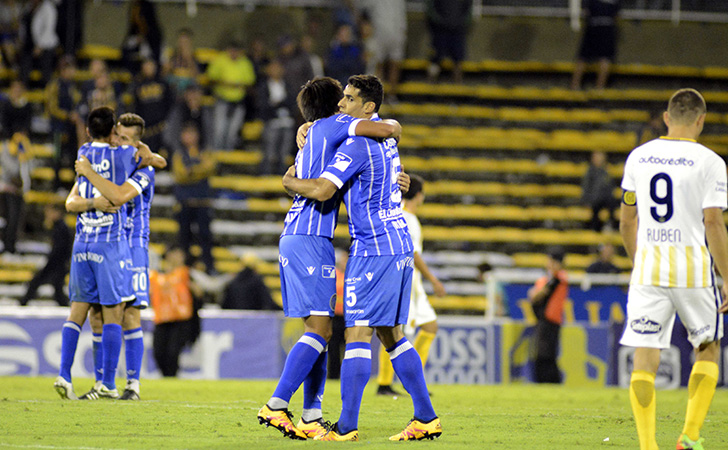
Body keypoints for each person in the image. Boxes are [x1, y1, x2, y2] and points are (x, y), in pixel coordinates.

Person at [282, 75, 441, 442]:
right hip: (397, 241)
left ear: (368, 108)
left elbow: (324, 189)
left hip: (374, 246)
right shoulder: (386, 142)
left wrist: (289, 182)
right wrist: (309, 127)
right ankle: (425, 417)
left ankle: (346, 426)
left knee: (357, 333)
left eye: (350, 99)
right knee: (392, 335)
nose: (342, 104)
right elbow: (391, 142)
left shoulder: (356, 145)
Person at [256, 76, 404, 441]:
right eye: (342, 99)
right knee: (320, 331)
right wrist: (393, 129)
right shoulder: (337, 125)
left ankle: (311, 416)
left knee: (320, 331)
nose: (343, 104)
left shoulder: (311, 136)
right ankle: (276, 404)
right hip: (309, 238)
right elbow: (387, 129)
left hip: (300, 236)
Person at [619, 88, 728, 450]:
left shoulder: (638, 157)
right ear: (701, 120)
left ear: (666, 117)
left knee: (644, 355)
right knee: (708, 346)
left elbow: (627, 221)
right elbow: (713, 223)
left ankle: (647, 445)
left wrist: (639, 263)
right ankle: (690, 438)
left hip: (649, 268)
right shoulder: (710, 162)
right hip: (692, 270)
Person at [53, 106, 155, 400]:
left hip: (132, 245)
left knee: (129, 315)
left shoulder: (142, 168)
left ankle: (132, 384)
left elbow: (119, 195)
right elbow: (71, 202)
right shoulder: (106, 158)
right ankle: (102, 383)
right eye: (117, 136)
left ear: (136, 144)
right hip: (107, 244)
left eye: (125, 139)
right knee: (97, 316)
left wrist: (89, 171)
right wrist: (92, 198)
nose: (118, 141)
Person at [377, 174, 446, 396]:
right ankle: (385, 383)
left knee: (430, 326)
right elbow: (413, 254)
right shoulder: (408, 219)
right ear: (419, 195)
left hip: (410, 281)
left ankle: (412, 379)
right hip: (407, 280)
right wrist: (434, 280)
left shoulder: (401, 216)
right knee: (395, 330)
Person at [150, 246, 200, 377]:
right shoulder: (157, 274)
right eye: (175, 254)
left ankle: (171, 376)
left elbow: (200, 291)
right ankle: (166, 377)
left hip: (179, 319)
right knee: (158, 352)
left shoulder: (187, 273)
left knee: (173, 352)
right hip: (161, 319)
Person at [172, 122, 216, 274]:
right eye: (187, 133)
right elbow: (180, 175)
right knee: (184, 237)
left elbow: (210, 168)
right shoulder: (179, 154)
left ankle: (209, 266)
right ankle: (185, 268)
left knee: (206, 237)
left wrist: (191, 172)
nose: (190, 137)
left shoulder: (205, 152)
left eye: (192, 133)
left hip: (202, 202)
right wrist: (198, 172)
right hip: (185, 202)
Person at [205, 39, 256, 150]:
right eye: (232, 50)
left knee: (233, 132)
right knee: (219, 130)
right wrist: (225, 83)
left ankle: (228, 155)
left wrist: (238, 85)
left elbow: (250, 83)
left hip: (238, 102)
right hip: (222, 100)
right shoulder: (220, 59)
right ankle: (217, 154)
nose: (234, 53)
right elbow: (210, 78)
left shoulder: (245, 62)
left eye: (236, 51)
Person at [0, 80, 32, 255]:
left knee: (16, 219)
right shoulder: (6, 146)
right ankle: (7, 247)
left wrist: (24, 184)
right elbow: (7, 166)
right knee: (8, 219)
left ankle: (11, 247)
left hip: (18, 189)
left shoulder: (24, 145)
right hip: (7, 187)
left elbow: (27, 165)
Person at [19, 204, 72, 306]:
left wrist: (52, 260)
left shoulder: (61, 227)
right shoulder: (59, 226)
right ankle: (63, 304)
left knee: (39, 281)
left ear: (57, 213)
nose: (47, 215)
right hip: (58, 262)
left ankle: (24, 301)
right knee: (57, 287)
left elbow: (60, 248)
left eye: (50, 212)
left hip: (57, 262)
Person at [528, 248, 567, 384]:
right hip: (545, 320)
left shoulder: (558, 278)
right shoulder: (551, 278)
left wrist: (536, 293)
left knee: (546, 355)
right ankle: (546, 382)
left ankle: (550, 382)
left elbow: (536, 294)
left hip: (550, 321)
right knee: (544, 354)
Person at [46, 55, 80, 192]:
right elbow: (52, 107)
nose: (73, 72)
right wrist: (67, 115)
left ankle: (73, 185)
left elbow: (77, 101)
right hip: (58, 127)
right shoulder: (55, 85)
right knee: (57, 157)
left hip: (70, 127)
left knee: (73, 156)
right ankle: (56, 186)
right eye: (70, 69)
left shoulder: (72, 86)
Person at [256, 59, 297, 175]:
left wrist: (277, 104)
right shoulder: (264, 86)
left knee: (284, 154)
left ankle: (282, 177)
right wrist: (277, 106)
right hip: (271, 122)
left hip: (287, 122)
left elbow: (292, 102)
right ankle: (266, 176)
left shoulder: (287, 85)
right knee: (270, 153)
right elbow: (263, 105)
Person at [570, 0, 620, 90]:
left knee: (583, 57)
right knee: (605, 58)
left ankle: (575, 85)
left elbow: (586, 11)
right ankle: (599, 87)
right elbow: (616, 15)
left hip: (592, 24)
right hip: (607, 26)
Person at [425, 0, 472, 83]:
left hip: (457, 29)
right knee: (436, 57)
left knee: (458, 58)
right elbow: (431, 9)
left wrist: (461, 22)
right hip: (440, 29)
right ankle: (430, 81)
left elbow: (468, 11)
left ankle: (458, 83)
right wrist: (439, 21)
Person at [131, 58, 171, 153]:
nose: (149, 68)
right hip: (146, 131)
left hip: (162, 128)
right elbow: (135, 107)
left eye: (151, 65)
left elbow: (169, 103)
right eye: (146, 65)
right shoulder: (137, 85)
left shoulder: (163, 83)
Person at [163, 83, 214, 153]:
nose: (193, 97)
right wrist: (177, 150)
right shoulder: (178, 111)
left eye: (196, 94)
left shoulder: (205, 112)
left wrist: (205, 150)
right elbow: (169, 135)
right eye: (191, 94)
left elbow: (210, 134)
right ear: (185, 95)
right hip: (179, 151)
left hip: (201, 151)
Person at [581, 150, 617, 232]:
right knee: (595, 211)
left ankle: (611, 225)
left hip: (605, 199)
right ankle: (595, 229)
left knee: (612, 205)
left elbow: (611, 186)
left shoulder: (606, 172)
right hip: (594, 200)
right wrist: (586, 201)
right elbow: (586, 187)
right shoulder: (590, 172)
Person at [162, 28, 200, 96]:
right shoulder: (173, 56)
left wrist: (189, 59)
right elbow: (163, 75)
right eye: (181, 42)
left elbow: (196, 77)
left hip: (188, 89)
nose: (183, 44)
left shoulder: (194, 57)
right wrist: (166, 68)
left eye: (185, 42)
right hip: (174, 87)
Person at [325, 24, 365, 88]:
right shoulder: (334, 50)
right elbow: (331, 68)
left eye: (346, 34)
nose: (344, 36)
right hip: (337, 83)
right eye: (342, 34)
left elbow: (359, 67)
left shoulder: (356, 49)